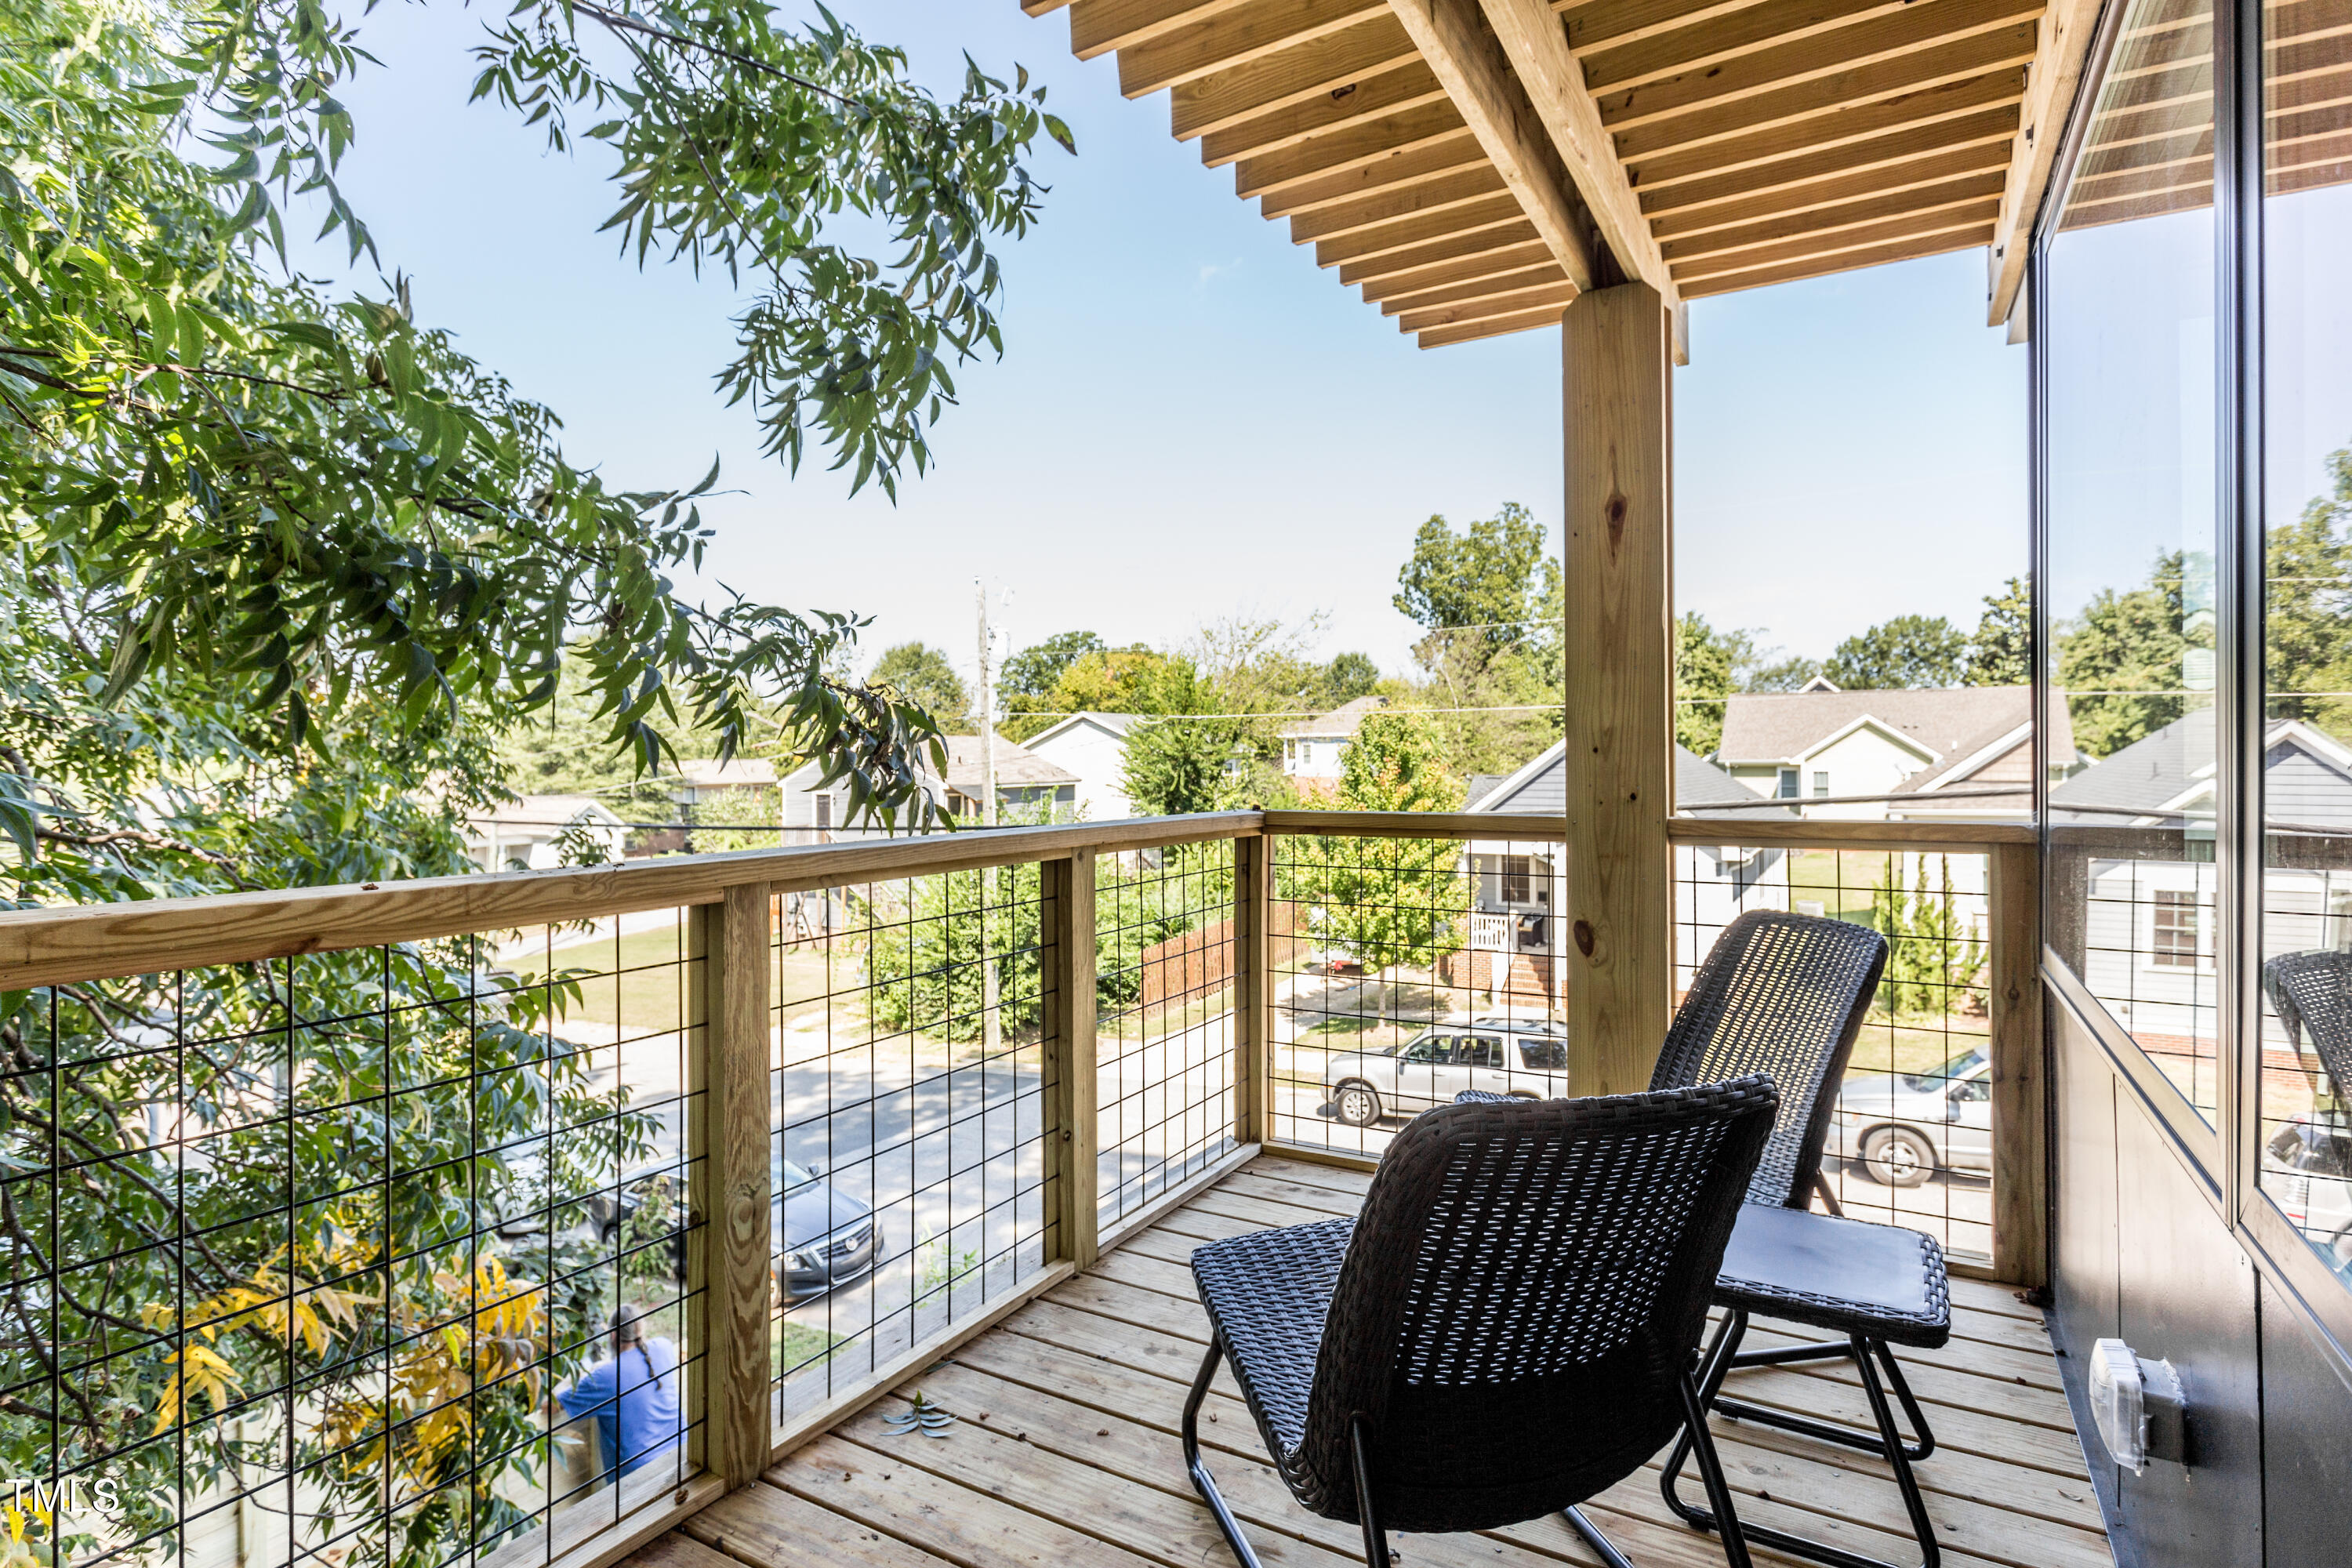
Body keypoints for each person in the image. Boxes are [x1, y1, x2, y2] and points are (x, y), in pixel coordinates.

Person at [557, 1305, 683, 1483]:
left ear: (613, 1336)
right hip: (682, 1452)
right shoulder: (664, 1347)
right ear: (642, 1327)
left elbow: (551, 1406)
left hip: (638, 1477)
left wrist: (576, 1377)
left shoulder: (605, 1376)